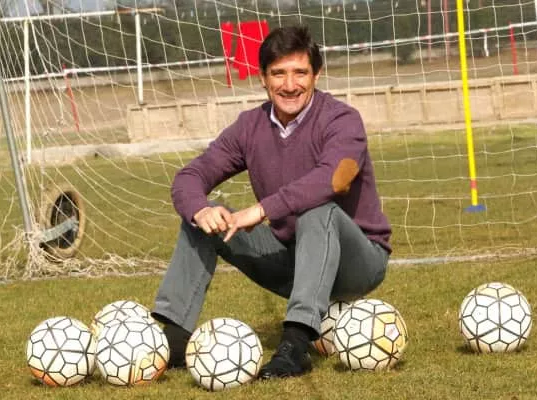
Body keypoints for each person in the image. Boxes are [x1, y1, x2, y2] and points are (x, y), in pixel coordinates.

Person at [151, 24, 392, 379]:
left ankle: (295, 345)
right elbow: (190, 176)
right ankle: (173, 338)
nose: (290, 85)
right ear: (262, 78)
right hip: (292, 259)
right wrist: (200, 210)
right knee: (206, 217)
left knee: (317, 209)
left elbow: (333, 180)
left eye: (300, 73)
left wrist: (263, 209)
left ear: (316, 75)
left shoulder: (342, 120)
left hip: (357, 262)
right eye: (278, 73)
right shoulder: (250, 126)